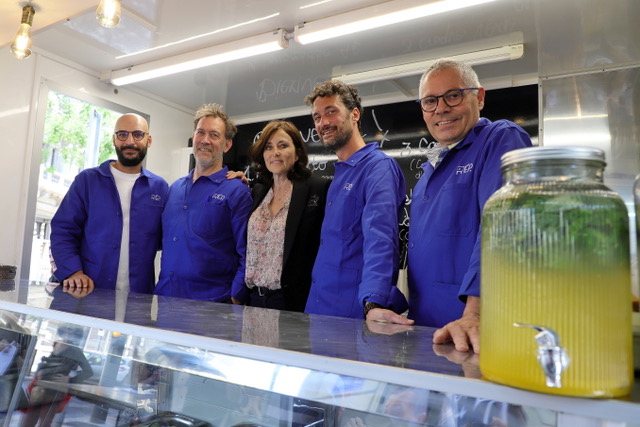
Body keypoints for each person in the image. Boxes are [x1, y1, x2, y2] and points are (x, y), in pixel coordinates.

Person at [407, 59, 532, 353]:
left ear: (480, 97)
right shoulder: (428, 172)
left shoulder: (500, 138)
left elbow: (503, 226)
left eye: (453, 95)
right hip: (427, 331)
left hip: (475, 331)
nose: (441, 108)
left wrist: (476, 312)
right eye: (430, 101)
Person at [303, 80, 412, 324]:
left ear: (354, 114)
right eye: (317, 117)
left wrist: (373, 302)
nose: (323, 123)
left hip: (352, 314)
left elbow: (380, 238)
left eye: (331, 111)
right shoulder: (339, 175)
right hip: (319, 308)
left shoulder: (377, 168)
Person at [50, 113, 168, 294]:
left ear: (149, 140)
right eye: (122, 134)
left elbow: (169, 235)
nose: (130, 141)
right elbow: (63, 230)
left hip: (139, 293)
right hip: (89, 290)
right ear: (114, 139)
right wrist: (73, 272)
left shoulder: (159, 188)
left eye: (138, 134)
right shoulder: (87, 181)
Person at [155, 103, 252, 303]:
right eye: (201, 132)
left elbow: (248, 254)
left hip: (212, 305)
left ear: (227, 145)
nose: (205, 140)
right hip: (166, 300)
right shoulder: (175, 189)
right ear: (193, 137)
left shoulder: (236, 191)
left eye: (214, 135)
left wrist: (235, 297)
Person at [245, 120, 330, 311]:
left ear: (298, 152)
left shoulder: (317, 188)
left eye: (282, 146)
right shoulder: (257, 191)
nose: (275, 152)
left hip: (292, 300)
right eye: (269, 147)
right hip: (252, 299)